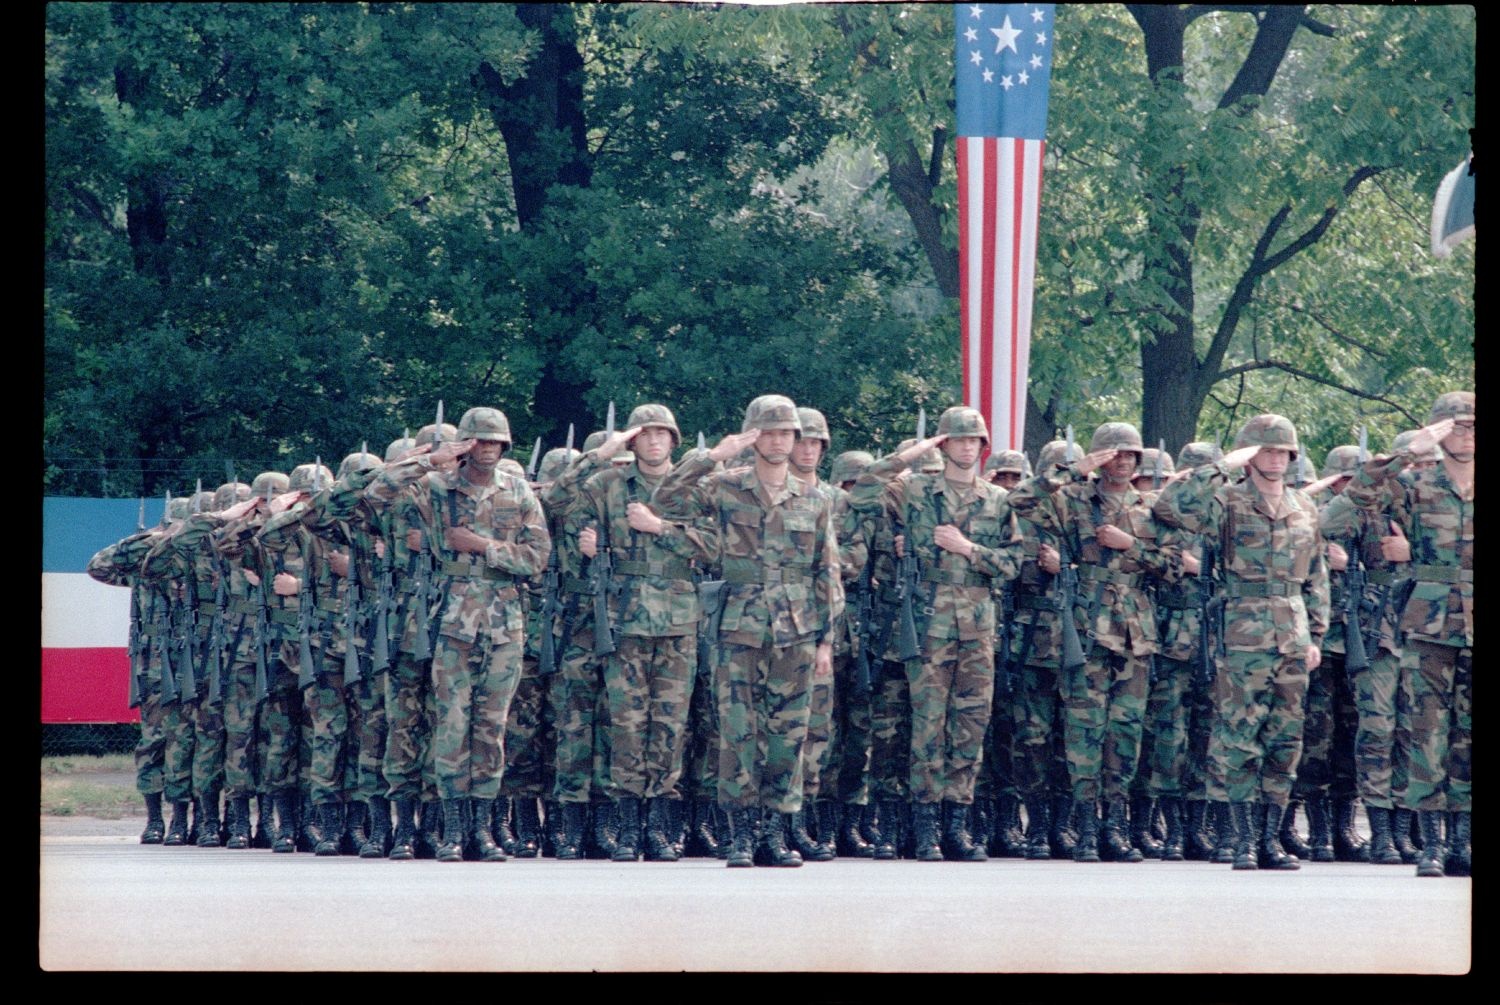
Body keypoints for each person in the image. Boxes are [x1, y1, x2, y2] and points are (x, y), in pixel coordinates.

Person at [655, 395, 841, 868]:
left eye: (787, 433)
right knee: (737, 734)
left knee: (789, 735)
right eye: (769, 431)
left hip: (796, 630)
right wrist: (713, 455)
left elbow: (828, 572)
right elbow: (666, 498)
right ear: (753, 435)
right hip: (738, 627)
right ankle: (739, 834)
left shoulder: (815, 499)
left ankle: (776, 834)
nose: (779, 440)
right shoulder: (724, 486)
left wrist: (825, 640)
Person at [362, 407, 551, 862]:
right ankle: (451, 830)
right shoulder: (432, 490)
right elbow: (374, 495)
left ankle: (482, 831)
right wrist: (430, 459)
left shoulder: (518, 490)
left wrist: (483, 546)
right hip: (450, 624)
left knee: (491, 728)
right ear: (464, 444)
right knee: (451, 724)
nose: (487, 448)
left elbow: (536, 558)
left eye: (494, 441)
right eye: (478, 440)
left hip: (504, 623)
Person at [1155, 414, 1330, 871]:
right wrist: (1223, 465)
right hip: (1242, 634)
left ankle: (1270, 839)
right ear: (1250, 456)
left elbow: (1316, 575)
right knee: (1238, 738)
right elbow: (1171, 507)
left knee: (1285, 738)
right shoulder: (1227, 501)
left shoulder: (1304, 507)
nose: (1275, 459)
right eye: (1265, 451)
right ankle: (1241, 839)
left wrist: (1316, 634)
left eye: (1281, 451)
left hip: (1291, 633)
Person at [850, 406, 1021, 861]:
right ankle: (924, 825)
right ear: (944, 445)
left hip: (978, 626)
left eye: (975, 440)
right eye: (959, 439)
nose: (968, 446)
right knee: (926, 726)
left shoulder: (997, 500)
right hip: (928, 625)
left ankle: (957, 825)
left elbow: (1013, 563)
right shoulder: (914, 490)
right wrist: (912, 454)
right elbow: (864, 488)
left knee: (970, 725)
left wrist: (970, 549)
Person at [1008, 422, 1176, 863]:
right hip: (1086, 628)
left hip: (1134, 634)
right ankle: (1083, 827)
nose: (1123, 461)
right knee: (1084, 731)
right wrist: (1073, 468)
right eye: (1114, 454)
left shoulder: (1150, 507)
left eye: (1130, 454)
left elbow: (1173, 565)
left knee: (1125, 733)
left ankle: (1115, 828)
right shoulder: (1073, 500)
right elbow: (1019, 501)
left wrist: (1129, 548)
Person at [570, 404, 714, 861]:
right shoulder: (607, 484)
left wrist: (661, 528)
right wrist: (598, 456)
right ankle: (628, 826)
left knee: (670, 725)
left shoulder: (696, 486)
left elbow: (719, 545)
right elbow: (556, 501)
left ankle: (660, 828)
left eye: (662, 434)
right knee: (628, 724)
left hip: (678, 619)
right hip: (624, 618)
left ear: (674, 441)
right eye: (645, 434)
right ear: (632, 441)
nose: (654, 442)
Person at [1341, 392, 1473, 878]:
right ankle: (1432, 844)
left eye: (1473, 425)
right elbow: (1357, 498)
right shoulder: (1414, 484)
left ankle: (1463, 843)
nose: (1466, 433)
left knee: (1468, 736)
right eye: (1456, 425)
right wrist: (1406, 452)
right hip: (1429, 623)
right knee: (1427, 734)